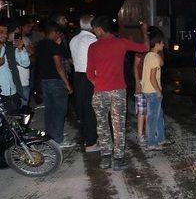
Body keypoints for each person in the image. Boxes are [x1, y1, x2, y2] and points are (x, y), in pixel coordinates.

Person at [86, 16, 148, 170]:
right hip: (118, 91)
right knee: (118, 126)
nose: (93, 31)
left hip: (100, 92)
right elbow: (145, 48)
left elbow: (89, 73)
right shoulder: (121, 42)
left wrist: (98, 83)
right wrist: (145, 31)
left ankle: (106, 159)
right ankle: (118, 159)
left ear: (100, 29)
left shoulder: (93, 47)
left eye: (94, 28)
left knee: (102, 125)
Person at [36, 23, 73, 146]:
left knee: (50, 110)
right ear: (53, 32)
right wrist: (67, 84)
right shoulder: (53, 46)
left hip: (45, 81)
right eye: (57, 33)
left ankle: (51, 137)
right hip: (56, 81)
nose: (59, 35)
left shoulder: (40, 44)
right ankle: (59, 139)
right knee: (60, 110)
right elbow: (59, 67)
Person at [69, 14, 99, 152]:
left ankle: (86, 138)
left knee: (81, 108)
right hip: (89, 76)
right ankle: (91, 143)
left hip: (77, 75)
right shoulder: (92, 40)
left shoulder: (73, 39)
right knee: (91, 110)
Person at [142, 29, 166, 151]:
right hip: (152, 91)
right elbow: (152, 78)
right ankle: (151, 142)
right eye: (162, 43)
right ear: (157, 43)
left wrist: (158, 52)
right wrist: (159, 91)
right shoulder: (153, 58)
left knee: (159, 115)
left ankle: (161, 139)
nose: (164, 45)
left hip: (148, 90)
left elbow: (161, 63)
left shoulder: (150, 55)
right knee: (153, 117)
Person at [17, 17, 35, 107]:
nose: (30, 28)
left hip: (26, 73)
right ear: (21, 27)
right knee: (23, 103)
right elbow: (32, 52)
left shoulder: (26, 38)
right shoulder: (20, 40)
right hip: (21, 77)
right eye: (28, 26)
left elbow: (34, 51)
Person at [133, 53, 147, 145]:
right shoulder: (140, 53)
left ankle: (149, 134)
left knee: (149, 112)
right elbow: (135, 67)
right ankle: (140, 135)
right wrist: (138, 83)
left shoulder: (153, 52)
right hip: (142, 84)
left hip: (150, 85)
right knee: (142, 111)